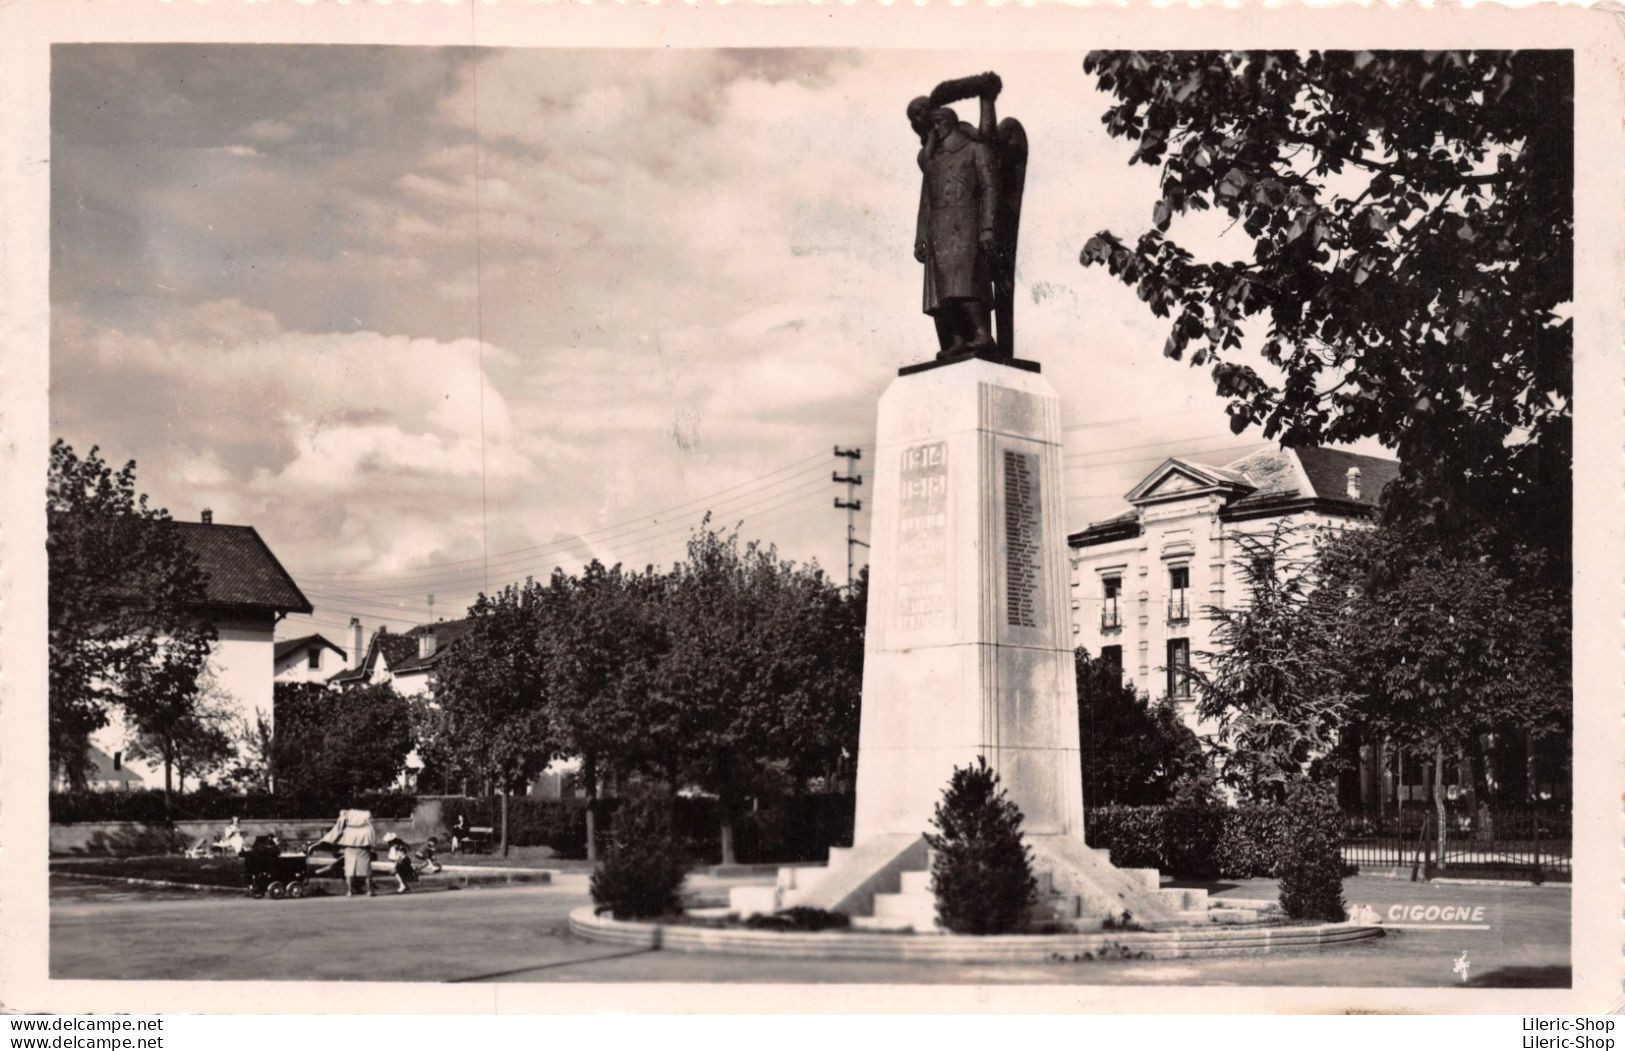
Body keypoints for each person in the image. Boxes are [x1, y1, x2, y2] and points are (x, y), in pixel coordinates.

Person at [320, 808, 377, 897]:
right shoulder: (367, 827)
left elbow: (337, 832)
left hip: (350, 849)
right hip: (363, 849)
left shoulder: (348, 827)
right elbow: (372, 839)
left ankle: (350, 891)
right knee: (366, 871)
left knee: (349, 871)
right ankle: (369, 891)